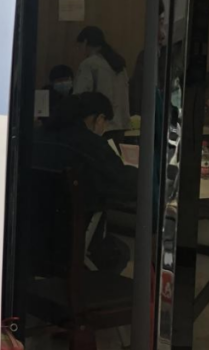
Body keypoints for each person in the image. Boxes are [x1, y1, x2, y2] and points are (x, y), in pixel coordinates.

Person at [37, 92, 136, 274]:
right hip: (71, 241)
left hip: (31, 240)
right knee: (120, 252)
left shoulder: (37, 136)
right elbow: (125, 184)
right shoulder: (92, 146)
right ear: (99, 119)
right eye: (106, 123)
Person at [74, 26, 130, 131]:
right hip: (121, 126)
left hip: (99, 126)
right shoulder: (118, 64)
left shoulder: (89, 64)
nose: (79, 51)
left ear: (85, 42)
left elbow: (79, 96)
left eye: (79, 46)